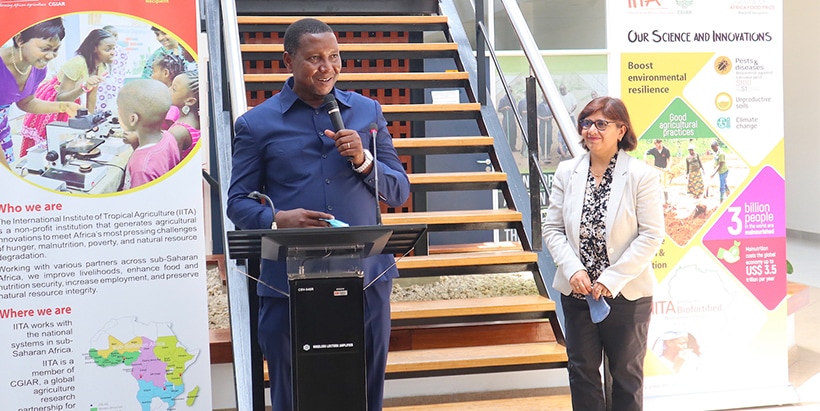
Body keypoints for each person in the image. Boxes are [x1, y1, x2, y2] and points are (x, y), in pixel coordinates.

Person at [225, 18, 410, 411]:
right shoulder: (256, 125)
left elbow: (399, 191)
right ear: (288, 60)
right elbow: (237, 202)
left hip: (366, 276)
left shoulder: (367, 113)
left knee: (363, 388)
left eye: (334, 57)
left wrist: (363, 160)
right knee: (293, 393)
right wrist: (277, 220)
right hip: (286, 282)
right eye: (314, 58)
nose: (327, 67)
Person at [544, 96, 664, 411]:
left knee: (625, 376)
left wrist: (611, 279)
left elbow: (651, 234)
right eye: (586, 122)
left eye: (601, 123)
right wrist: (573, 270)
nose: (591, 130)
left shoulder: (642, 175)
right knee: (582, 372)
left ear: (621, 129)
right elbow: (552, 229)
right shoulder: (567, 172)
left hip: (627, 294)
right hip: (578, 292)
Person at [20, 28, 116, 157]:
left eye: (114, 48)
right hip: (53, 99)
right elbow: (60, 98)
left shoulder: (101, 66)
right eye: (108, 49)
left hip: (71, 100)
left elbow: (92, 94)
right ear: (94, 48)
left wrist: (90, 121)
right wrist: (83, 87)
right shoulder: (77, 63)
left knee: (68, 143)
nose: (113, 53)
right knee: (49, 142)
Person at [0, 17, 79, 166]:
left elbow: (26, 102)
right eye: (45, 49)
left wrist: (63, 106)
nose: (50, 56)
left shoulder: (37, 68)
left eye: (55, 50)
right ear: (20, 40)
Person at [117, 79, 181, 190]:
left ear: (133, 119)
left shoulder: (141, 168)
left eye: (119, 109)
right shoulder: (169, 137)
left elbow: (141, 204)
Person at [95, 25, 128, 113]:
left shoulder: (122, 52)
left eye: (116, 35)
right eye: (110, 35)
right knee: (99, 110)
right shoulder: (97, 51)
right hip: (101, 88)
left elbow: (122, 71)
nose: (114, 38)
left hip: (116, 86)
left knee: (114, 112)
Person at [167, 70, 200, 158]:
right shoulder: (199, 120)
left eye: (174, 89)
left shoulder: (178, 132)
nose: (168, 90)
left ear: (190, 101)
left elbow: (170, 166)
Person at [645, 139, 671, 203]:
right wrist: (645, 158)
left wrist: (668, 167)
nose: (658, 145)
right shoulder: (654, 150)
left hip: (663, 169)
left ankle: (666, 200)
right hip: (656, 169)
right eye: (656, 144)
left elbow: (670, 159)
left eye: (659, 143)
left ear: (661, 143)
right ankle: (658, 199)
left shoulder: (666, 150)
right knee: (657, 184)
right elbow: (646, 152)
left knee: (665, 184)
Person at [537, 98, 553, 163]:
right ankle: (543, 154)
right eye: (543, 97)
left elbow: (553, 114)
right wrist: (542, 118)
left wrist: (548, 118)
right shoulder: (539, 106)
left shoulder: (550, 105)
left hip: (549, 124)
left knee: (549, 139)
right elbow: (537, 114)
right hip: (542, 125)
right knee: (542, 139)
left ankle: (548, 153)